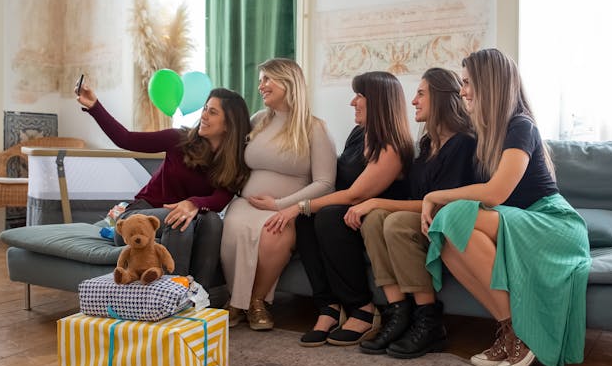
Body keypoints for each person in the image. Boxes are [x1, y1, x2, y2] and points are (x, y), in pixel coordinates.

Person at [421, 48, 591, 366]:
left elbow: (496, 194)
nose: (462, 91)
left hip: (554, 224)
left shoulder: (520, 125)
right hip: (520, 221)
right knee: (444, 229)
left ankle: (521, 335)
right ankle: (511, 330)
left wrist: (434, 195)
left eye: (468, 82)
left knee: (452, 215)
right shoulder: (485, 135)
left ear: (490, 84)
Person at [342, 68, 477, 358]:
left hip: (445, 222)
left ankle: (428, 320)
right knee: (374, 219)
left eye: (420, 93)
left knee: (395, 223)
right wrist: (374, 206)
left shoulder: (463, 143)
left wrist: (376, 201)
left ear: (440, 98)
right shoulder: (428, 145)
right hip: (421, 216)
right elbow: (416, 197)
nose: (413, 101)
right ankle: (398, 312)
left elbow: (438, 205)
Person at [284, 71, 415, 347]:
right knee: (307, 220)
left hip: (375, 217)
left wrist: (302, 205)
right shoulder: (359, 134)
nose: (352, 102)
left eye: (359, 96)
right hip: (348, 213)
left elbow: (356, 195)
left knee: (327, 216)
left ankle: (363, 309)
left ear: (378, 101)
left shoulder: (392, 145)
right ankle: (328, 307)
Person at [75, 83, 251, 287]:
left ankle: (201, 296)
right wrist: (95, 106)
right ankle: (171, 294)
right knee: (178, 220)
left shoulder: (234, 162)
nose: (203, 115)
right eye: (205, 109)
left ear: (229, 124)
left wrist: (192, 204)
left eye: (212, 112)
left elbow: (219, 200)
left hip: (184, 220)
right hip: (138, 219)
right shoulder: (179, 139)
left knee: (211, 220)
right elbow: (126, 139)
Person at [220, 58, 336, 330]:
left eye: (267, 79)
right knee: (232, 230)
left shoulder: (314, 127)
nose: (261, 86)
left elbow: (325, 183)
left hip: (287, 207)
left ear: (288, 82)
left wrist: (279, 204)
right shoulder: (257, 121)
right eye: (260, 80)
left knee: (273, 235)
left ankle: (256, 302)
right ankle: (236, 301)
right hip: (245, 205)